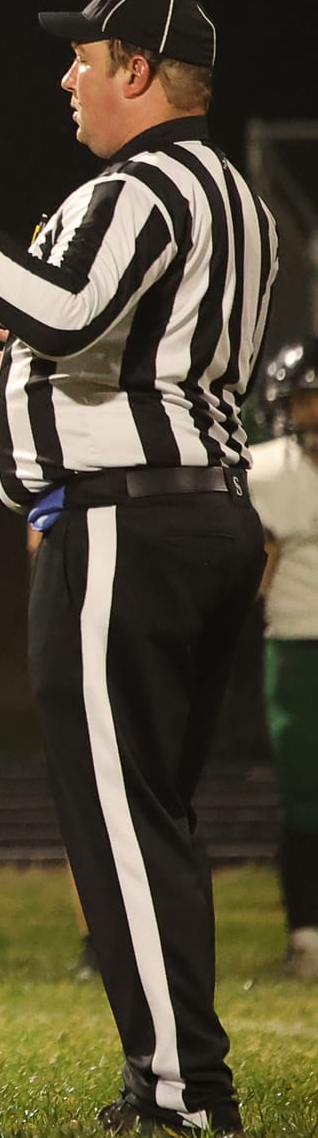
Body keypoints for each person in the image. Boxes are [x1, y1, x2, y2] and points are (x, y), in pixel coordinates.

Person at [0, 0, 277, 1137]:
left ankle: (181, 1092)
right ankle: (172, 1074)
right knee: (150, 811)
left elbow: (60, 314)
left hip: (123, 525)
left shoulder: (141, 183)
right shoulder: (234, 196)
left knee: (120, 817)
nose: (65, 77)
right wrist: (28, 380)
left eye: (84, 58)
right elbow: (143, 349)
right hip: (199, 516)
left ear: (136, 71)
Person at [251, 337, 318, 979]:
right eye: (303, 399)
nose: (313, 412)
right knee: (302, 796)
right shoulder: (263, 470)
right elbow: (251, 581)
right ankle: (307, 932)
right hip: (294, 647)